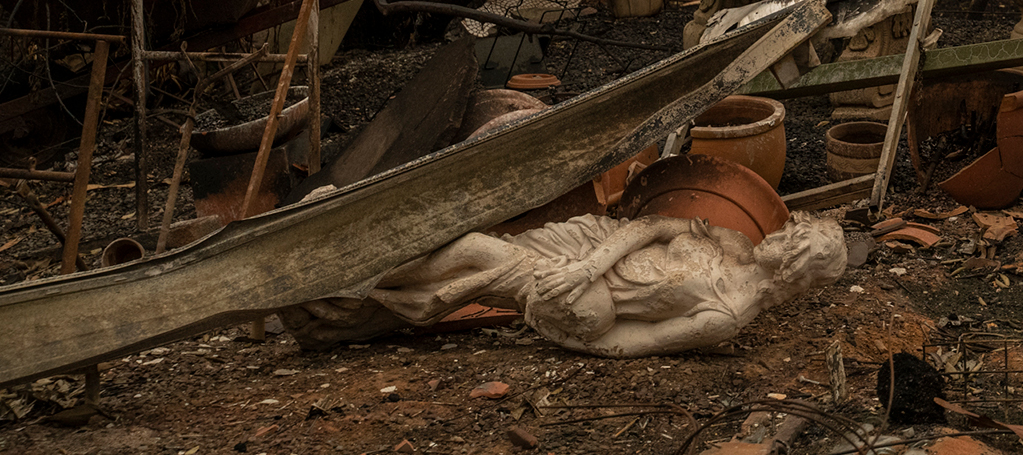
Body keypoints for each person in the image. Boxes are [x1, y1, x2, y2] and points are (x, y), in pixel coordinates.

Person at [290, 213, 846, 356]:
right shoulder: (732, 244)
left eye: (794, 237)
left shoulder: (726, 316)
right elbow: (650, 226)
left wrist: (566, 332)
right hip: (592, 255)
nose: (784, 229)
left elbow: (637, 343)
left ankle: (342, 283)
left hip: (590, 305)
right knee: (474, 269)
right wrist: (586, 265)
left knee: (475, 254)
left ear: (795, 265)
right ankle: (340, 315)